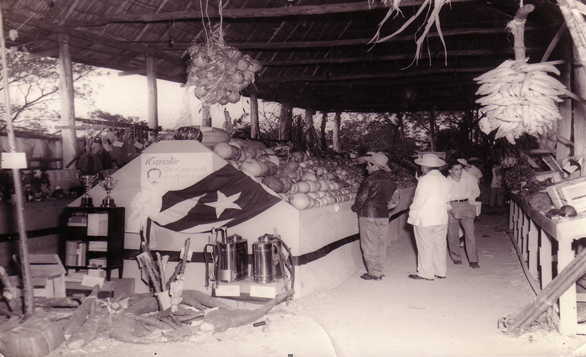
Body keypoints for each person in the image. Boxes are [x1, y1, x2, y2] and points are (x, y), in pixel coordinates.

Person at [351, 152, 398, 281]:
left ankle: (373, 272)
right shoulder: (391, 180)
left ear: (374, 165)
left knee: (369, 244)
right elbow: (394, 200)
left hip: (368, 214)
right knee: (381, 243)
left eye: (368, 165)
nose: (366, 168)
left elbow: (361, 198)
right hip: (383, 215)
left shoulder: (369, 179)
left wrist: (355, 207)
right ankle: (379, 270)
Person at [407, 153, 450, 281]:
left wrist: (412, 215)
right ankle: (440, 271)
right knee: (440, 245)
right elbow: (448, 198)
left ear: (425, 167)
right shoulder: (444, 179)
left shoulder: (424, 180)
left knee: (425, 245)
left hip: (425, 218)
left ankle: (426, 273)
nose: (420, 168)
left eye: (421, 166)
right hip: (441, 218)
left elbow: (419, 200)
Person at [446, 159, 481, 269]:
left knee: (470, 233)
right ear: (450, 171)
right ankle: (456, 257)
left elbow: (476, 191)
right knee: (453, 234)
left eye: (460, 169)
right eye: (456, 170)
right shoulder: (446, 182)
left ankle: (473, 260)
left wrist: (470, 201)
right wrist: (450, 208)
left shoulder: (468, 179)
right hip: (452, 206)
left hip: (466, 204)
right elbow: (442, 197)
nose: (459, 172)